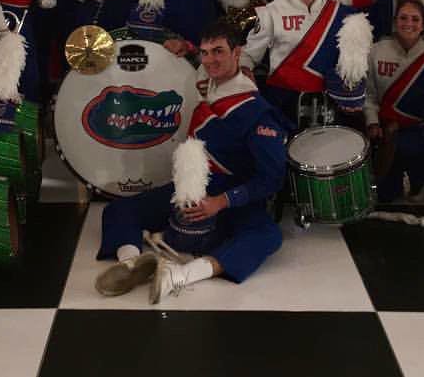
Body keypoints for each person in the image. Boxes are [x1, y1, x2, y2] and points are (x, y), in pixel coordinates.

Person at [94, 19, 287, 303]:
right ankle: (131, 264)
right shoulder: (206, 82)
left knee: (267, 236)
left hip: (228, 198)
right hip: (190, 189)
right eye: (206, 53)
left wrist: (220, 201)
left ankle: (180, 276)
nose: (210, 60)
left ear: (237, 53)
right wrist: (184, 46)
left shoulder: (257, 113)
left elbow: (272, 179)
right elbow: (194, 53)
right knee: (120, 209)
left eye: (219, 52)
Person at [240, 0, 371, 128]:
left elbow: (352, 67)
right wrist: (245, 70)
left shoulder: (342, 14)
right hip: (284, 104)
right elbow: (249, 55)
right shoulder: (271, 11)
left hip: (329, 106)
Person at [364, 0, 424, 202]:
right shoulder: (376, 51)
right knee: (387, 195)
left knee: (410, 148)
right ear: (395, 22)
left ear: (423, 25)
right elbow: (368, 93)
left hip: (419, 131)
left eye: (415, 19)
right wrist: (372, 122)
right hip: (384, 128)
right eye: (403, 18)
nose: (409, 23)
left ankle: (418, 179)